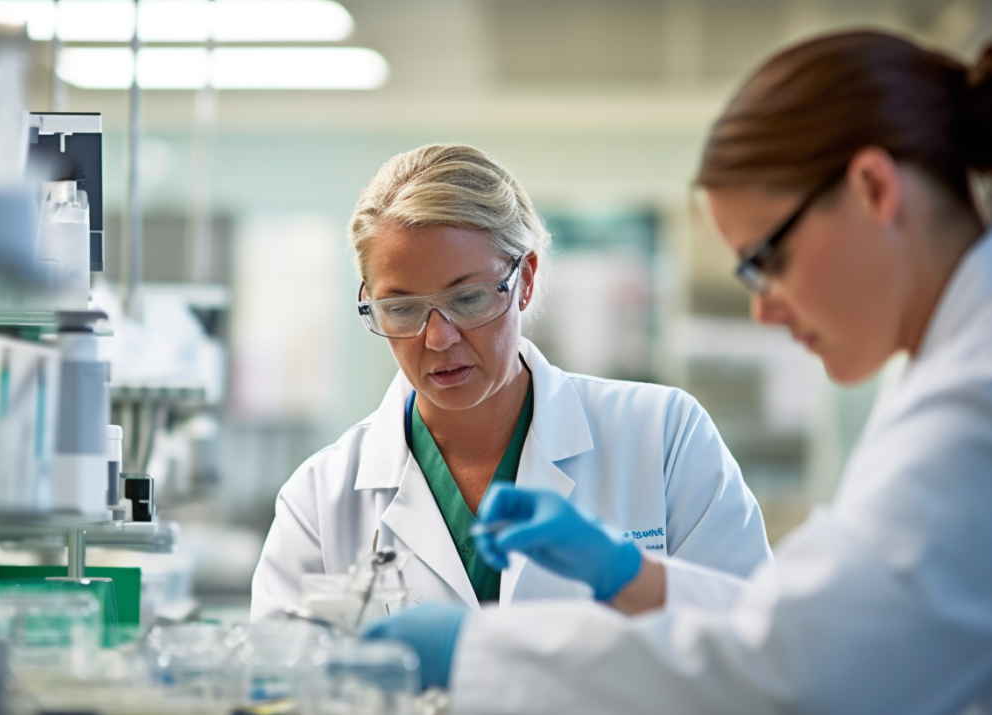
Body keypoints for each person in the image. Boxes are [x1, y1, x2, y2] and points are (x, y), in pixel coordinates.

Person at [363, 30, 992, 714]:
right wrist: (631, 574)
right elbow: (799, 626)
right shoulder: (950, 368)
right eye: (402, 306)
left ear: (873, 189)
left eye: (766, 260)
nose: (763, 310)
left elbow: (802, 670)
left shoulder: (971, 397)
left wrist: (479, 652)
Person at [250, 144, 771, 623]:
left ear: (524, 279)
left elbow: (756, 644)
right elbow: (278, 683)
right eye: (403, 308)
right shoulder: (320, 496)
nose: (437, 338)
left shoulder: (663, 436)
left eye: (469, 298)